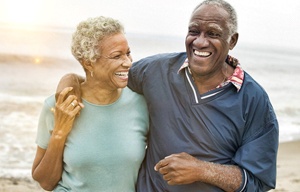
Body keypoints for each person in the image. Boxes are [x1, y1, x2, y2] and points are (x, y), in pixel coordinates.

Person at [56, 0, 279, 191]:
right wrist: (69, 81)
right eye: (194, 31)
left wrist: (202, 170)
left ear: (232, 41)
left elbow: (258, 182)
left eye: (213, 34)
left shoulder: (254, 100)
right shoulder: (155, 70)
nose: (200, 41)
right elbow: (105, 77)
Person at [31, 16, 149, 191]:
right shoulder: (59, 106)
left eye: (128, 53)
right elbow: (46, 182)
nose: (128, 62)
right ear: (88, 63)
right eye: (117, 56)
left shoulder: (141, 104)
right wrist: (59, 133)